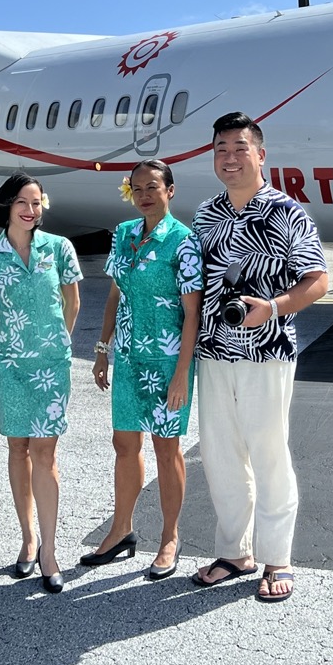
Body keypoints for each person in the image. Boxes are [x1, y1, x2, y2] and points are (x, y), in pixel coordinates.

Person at [190, 112, 329, 603]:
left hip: (267, 350)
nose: (230, 157)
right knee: (220, 453)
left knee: (269, 453)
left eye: (240, 148)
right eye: (221, 148)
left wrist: (272, 307)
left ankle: (277, 557)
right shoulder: (205, 214)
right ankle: (234, 552)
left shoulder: (288, 212)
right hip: (213, 351)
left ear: (261, 155)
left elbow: (318, 280)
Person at [85, 159, 202, 580]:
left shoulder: (183, 241)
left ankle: (170, 537)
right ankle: (121, 530)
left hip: (168, 360)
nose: (145, 194)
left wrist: (181, 374)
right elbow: (115, 294)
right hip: (130, 359)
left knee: (166, 448)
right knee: (124, 445)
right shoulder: (123, 234)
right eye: (137, 188)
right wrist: (102, 348)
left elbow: (193, 315)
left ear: (170, 191)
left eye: (153, 186)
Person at [0, 173, 82, 594]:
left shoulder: (59, 248)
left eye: (36, 203)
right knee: (17, 447)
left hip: (52, 364)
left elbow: (72, 299)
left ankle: (50, 551)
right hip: (11, 365)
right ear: (7, 206)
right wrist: (3, 335)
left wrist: (61, 340)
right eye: (22, 201)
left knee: (45, 451)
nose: (30, 210)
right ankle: (28, 538)